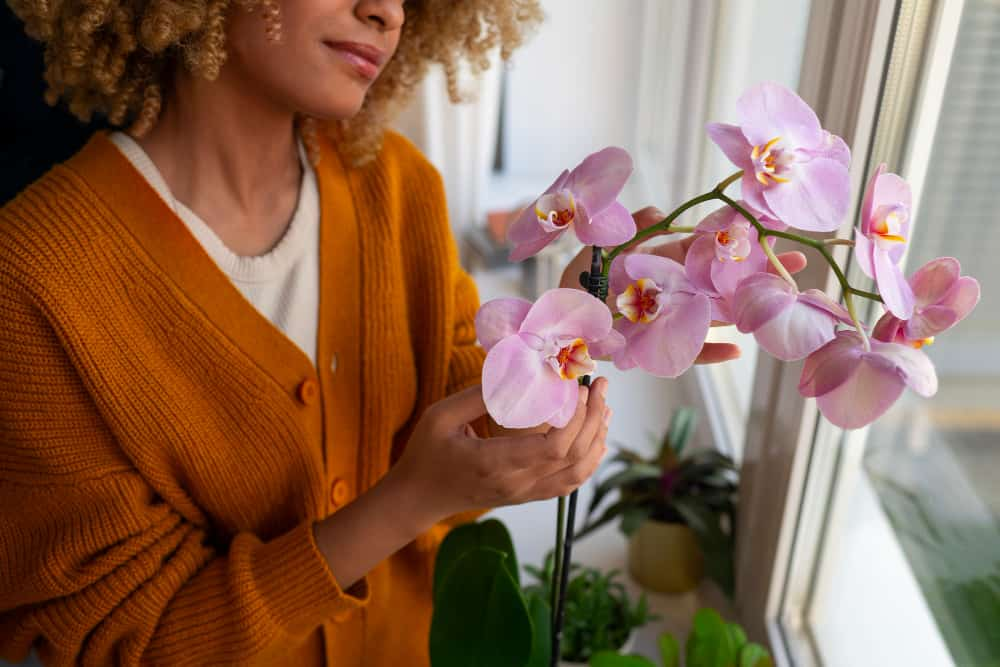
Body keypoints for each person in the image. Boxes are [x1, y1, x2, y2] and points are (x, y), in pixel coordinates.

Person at [0, 1, 805, 665]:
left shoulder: (398, 188)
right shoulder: (37, 275)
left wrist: (571, 324)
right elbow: (122, 641)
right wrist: (407, 501)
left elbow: (468, 418)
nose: (385, 12)